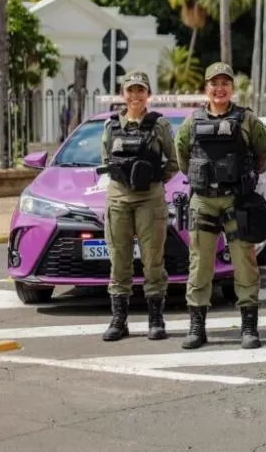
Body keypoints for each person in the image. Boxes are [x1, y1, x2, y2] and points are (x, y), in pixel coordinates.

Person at [175, 62, 266, 350]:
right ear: (206, 88)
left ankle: (249, 327)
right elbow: (182, 158)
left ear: (232, 88)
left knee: (245, 263)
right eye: (214, 83)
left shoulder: (247, 121)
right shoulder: (191, 122)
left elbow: (262, 155)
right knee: (200, 265)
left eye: (225, 83)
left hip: (237, 200)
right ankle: (196, 327)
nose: (219, 89)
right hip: (203, 200)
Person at [100, 71, 179, 342]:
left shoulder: (159, 125)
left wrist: (155, 180)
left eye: (140, 90)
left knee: (152, 260)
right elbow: (106, 160)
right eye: (130, 90)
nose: (135, 95)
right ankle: (119, 321)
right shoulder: (111, 126)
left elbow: (174, 160)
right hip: (119, 199)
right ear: (123, 94)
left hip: (150, 200)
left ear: (148, 94)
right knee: (119, 260)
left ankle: (156, 320)